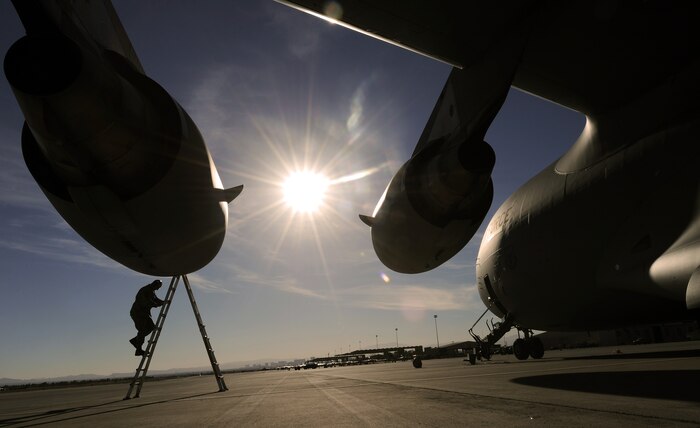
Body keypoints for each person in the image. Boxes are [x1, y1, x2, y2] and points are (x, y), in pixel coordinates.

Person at [129, 279, 165, 356]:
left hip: (144, 313)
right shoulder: (144, 290)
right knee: (142, 330)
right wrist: (155, 304)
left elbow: (155, 299)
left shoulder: (152, 291)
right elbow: (145, 302)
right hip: (138, 313)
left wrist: (163, 302)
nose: (157, 289)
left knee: (151, 327)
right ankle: (138, 350)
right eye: (157, 287)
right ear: (154, 284)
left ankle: (136, 340)